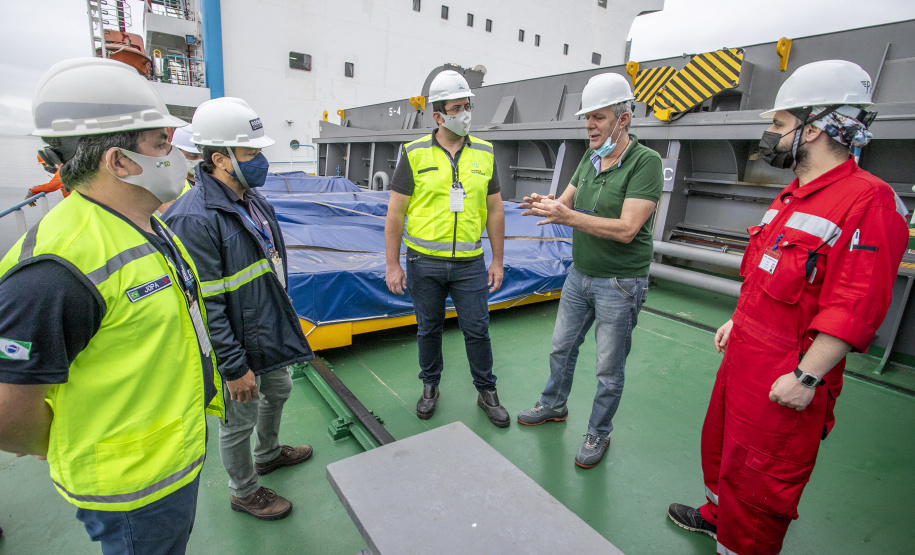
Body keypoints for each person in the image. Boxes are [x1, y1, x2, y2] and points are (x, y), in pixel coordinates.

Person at [667, 60, 909, 555]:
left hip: (787, 367)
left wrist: (806, 377)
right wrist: (738, 319)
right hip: (746, 355)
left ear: (813, 128)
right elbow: (769, 270)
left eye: (779, 124)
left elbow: (856, 306)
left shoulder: (870, 202)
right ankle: (718, 517)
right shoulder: (792, 196)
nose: (770, 135)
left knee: (762, 474)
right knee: (722, 447)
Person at [0, 57, 222, 554]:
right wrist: (59, 442)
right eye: (161, 143)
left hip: (171, 456)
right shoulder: (56, 271)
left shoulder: (144, 223)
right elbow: (7, 415)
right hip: (131, 488)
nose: (177, 156)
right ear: (119, 162)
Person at [164, 97, 315, 521]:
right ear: (220, 159)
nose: (261, 160)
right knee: (238, 419)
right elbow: (205, 305)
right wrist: (232, 368)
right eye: (251, 153)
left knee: (279, 390)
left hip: (265, 329)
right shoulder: (194, 218)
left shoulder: (252, 199)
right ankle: (244, 491)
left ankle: (267, 454)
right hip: (233, 343)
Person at [517, 73, 663, 468]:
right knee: (561, 348)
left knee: (608, 369)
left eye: (598, 117)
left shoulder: (646, 163)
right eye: (587, 118)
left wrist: (566, 216)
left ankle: (599, 432)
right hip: (580, 275)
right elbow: (564, 202)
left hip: (620, 282)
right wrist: (546, 204)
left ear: (623, 119)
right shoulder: (590, 158)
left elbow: (628, 229)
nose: (590, 126)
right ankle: (553, 404)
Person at [384, 69, 510, 427]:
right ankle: (430, 386)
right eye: (457, 108)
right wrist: (392, 264)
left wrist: (497, 260)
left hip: (470, 263)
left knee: (477, 329)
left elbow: (495, 209)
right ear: (438, 116)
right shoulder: (414, 154)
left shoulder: (485, 152)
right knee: (428, 329)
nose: (465, 113)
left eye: (467, 106)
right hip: (423, 262)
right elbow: (395, 213)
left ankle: (486, 391)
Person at [158, 125, 202, 212]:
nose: (199, 160)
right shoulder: (164, 177)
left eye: (203, 156)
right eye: (193, 156)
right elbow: (169, 212)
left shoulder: (212, 174)